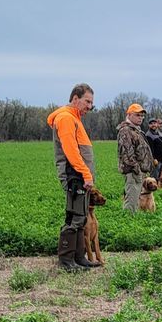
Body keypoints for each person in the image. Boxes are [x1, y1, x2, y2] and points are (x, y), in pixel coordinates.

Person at [47, 83, 102, 272]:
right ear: (75, 98)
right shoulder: (65, 118)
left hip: (80, 176)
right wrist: (85, 174)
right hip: (75, 176)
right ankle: (66, 260)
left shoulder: (75, 118)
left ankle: (79, 257)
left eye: (91, 103)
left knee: (81, 217)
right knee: (74, 218)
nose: (89, 106)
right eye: (87, 101)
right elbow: (71, 151)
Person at [117, 103, 154, 213]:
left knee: (136, 199)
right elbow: (127, 155)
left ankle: (132, 220)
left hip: (139, 172)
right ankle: (128, 222)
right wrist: (137, 170)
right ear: (129, 115)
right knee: (131, 200)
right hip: (133, 172)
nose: (141, 118)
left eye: (142, 116)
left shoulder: (135, 130)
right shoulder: (126, 130)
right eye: (138, 115)